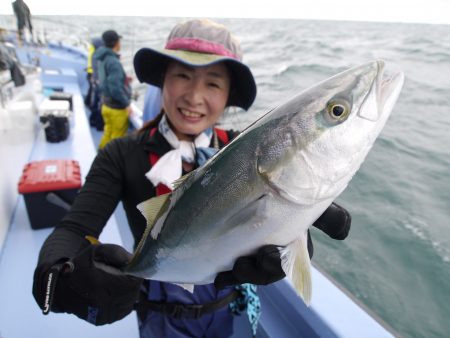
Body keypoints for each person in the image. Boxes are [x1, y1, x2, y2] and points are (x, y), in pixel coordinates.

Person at [32, 19, 351, 337]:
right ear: (162, 82)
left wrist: (291, 227)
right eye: (182, 76)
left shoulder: (243, 152)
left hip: (223, 306)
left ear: (228, 95)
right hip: (155, 311)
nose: (194, 96)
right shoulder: (122, 154)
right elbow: (75, 227)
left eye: (213, 83)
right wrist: (56, 273)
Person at [94, 29, 132, 148]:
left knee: (108, 133)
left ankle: (100, 155)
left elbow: (107, 80)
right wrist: (126, 104)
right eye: (119, 40)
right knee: (116, 140)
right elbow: (115, 88)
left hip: (106, 105)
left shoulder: (102, 58)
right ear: (116, 42)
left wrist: (124, 79)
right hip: (117, 109)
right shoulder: (114, 62)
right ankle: (109, 164)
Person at [85, 37, 105, 131]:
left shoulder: (94, 49)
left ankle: (93, 120)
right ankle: (98, 124)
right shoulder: (100, 53)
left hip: (93, 76)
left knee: (93, 98)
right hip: (96, 78)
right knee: (98, 103)